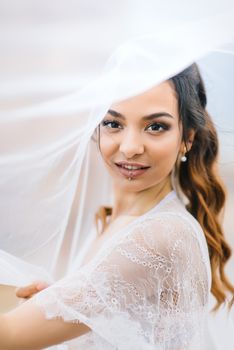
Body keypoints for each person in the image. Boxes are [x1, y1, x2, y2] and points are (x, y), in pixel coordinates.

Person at [0, 63, 234, 350]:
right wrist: (52, 311)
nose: (130, 146)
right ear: (95, 128)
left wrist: (38, 321)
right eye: (113, 123)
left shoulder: (160, 235)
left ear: (187, 139)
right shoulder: (114, 219)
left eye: (156, 126)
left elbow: (9, 336)